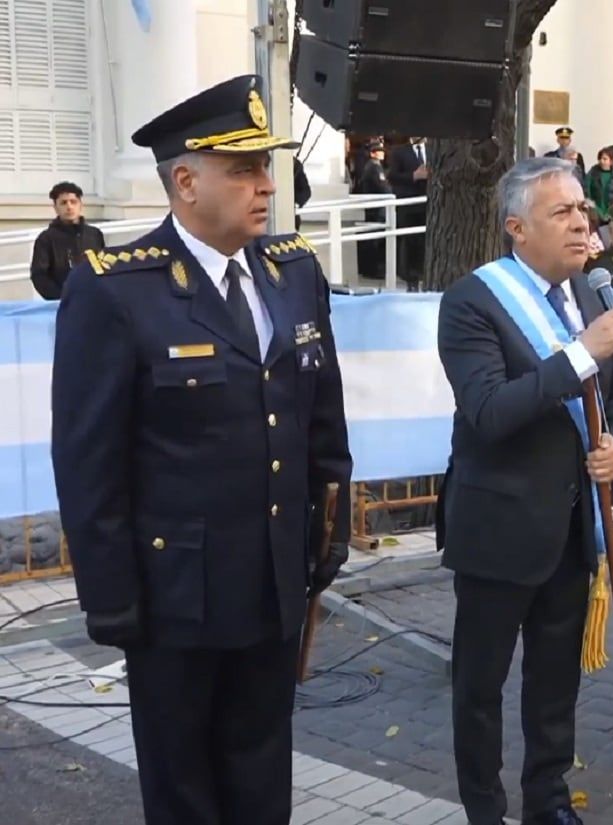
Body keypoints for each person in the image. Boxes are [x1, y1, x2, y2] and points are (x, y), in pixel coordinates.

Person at [50, 74, 352, 825]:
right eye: (244, 169)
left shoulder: (292, 273)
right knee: (184, 784)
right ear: (185, 181)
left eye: (265, 166)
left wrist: (327, 539)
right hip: (175, 594)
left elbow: (323, 424)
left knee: (262, 773)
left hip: (275, 580)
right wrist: (112, 598)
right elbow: (89, 461)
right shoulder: (118, 291)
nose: (264, 185)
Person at [436, 156, 613, 825]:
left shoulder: (591, 295)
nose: (583, 223)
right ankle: (484, 808)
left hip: (573, 526)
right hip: (499, 529)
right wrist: (583, 352)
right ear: (518, 228)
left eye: (584, 210)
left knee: (554, 683)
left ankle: (548, 799)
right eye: (564, 213)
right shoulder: (473, 300)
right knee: (481, 687)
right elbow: (489, 411)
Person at [30, 181, 105, 300]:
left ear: (80, 205)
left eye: (73, 202)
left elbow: (103, 267)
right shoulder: (46, 239)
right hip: (61, 302)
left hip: (93, 300)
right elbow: (39, 275)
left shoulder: (94, 234)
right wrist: (60, 297)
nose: (69, 207)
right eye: (63, 203)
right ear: (55, 207)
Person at [387, 136, 430, 290]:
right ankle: (411, 279)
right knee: (410, 243)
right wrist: (414, 176)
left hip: (428, 204)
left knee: (425, 242)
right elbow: (392, 176)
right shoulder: (400, 152)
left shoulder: (432, 151)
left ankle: (425, 276)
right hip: (409, 206)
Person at [355, 137, 390, 280]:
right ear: (372, 153)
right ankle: (373, 270)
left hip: (374, 208)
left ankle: (372, 269)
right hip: (375, 209)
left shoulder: (374, 166)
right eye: (378, 151)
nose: (382, 153)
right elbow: (384, 188)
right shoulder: (374, 167)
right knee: (374, 241)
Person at [585, 146, 613, 224]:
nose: (602, 161)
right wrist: (598, 212)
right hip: (595, 215)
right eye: (600, 159)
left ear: (611, 161)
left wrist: (610, 213)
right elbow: (588, 193)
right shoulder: (592, 172)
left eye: (605, 159)